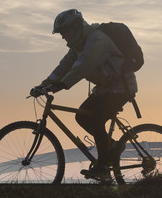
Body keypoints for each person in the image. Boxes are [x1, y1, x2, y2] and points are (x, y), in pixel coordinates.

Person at [34, 9, 138, 180]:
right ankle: (112, 148)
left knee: (96, 119)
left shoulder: (96, 39)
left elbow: (82, 66)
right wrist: (43, 85)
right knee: (82, 117)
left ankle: (103, 166)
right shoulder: (78, 46)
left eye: (64, 32)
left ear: (75, 27)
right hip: (107, 88)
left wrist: (61, 85)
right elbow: (64, 66)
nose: (63, 37)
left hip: (121, 88)